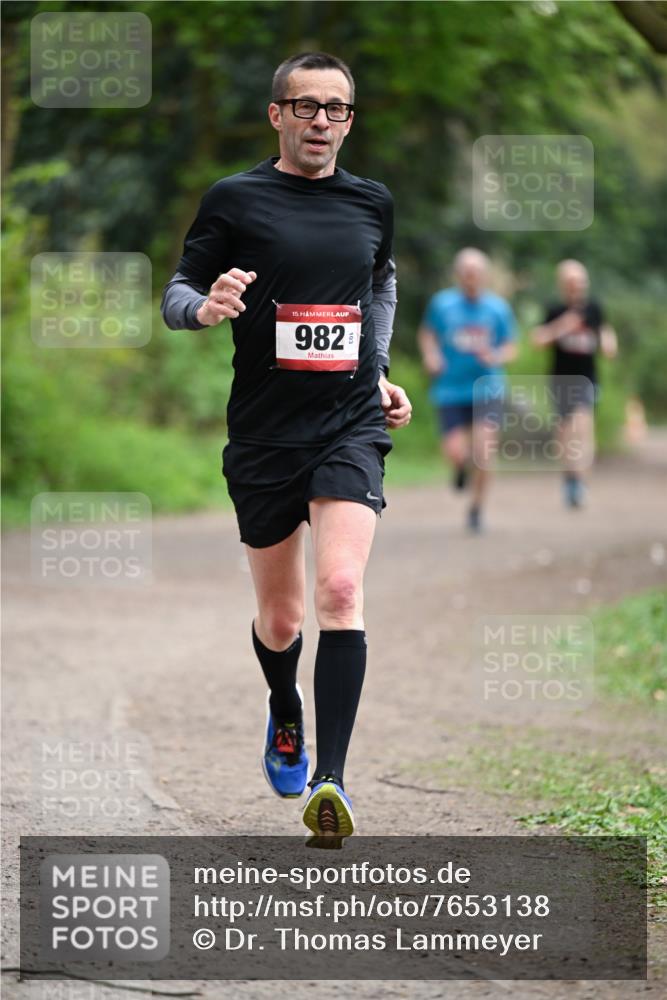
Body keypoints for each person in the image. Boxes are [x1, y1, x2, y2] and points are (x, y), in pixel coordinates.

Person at [161, 52, 411, 845]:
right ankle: (283, 703)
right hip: (265, 432)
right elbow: (175, 292)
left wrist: (377, 371)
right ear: (277, 114)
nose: (321, 121)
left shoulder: (371, 201)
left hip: (349, 424)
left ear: (348, 120)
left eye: (336, 108)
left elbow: (380, 283)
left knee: (339, 588)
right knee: (280, 619)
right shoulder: (235, 199)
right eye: (305, 106)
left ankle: (330, 781)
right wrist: (205, 309)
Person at [417, 249, 517, 533]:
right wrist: (431, 355)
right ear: (458, 274)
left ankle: (476, 508)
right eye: (466, 272)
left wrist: (496, 355)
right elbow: (427, 333)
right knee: (455, 451)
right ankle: (460, 467)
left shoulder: (498, 308)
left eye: (476, 272)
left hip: (488, 388)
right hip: (450, 388)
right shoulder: (442, 304)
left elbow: (511, 346)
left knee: (484, 451)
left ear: (485, 276)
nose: (471, 277)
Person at [531, 259, 617, 507]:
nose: (576, 286)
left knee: (583, 426)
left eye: (580, 281)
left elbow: (605, 332)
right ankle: (570, 477)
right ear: (562, 284)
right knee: (564, 434)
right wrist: (563, 325)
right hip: (560, 380)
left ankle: (580, 482)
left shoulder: (594, 309)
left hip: (587, 379)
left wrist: (609, 343)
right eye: (571, 282)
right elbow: (538, 340)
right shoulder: (555, 310)